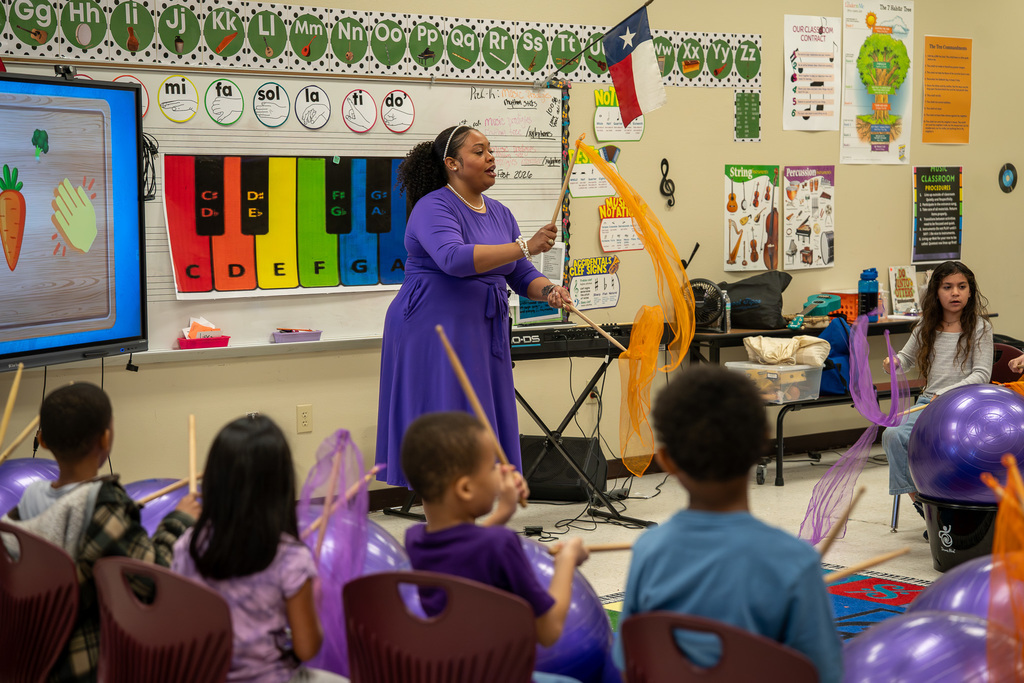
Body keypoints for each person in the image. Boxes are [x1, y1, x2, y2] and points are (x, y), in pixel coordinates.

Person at [614, 367, 842, 682]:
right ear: (763, 443)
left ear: (666, 460)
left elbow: (630, 663)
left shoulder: (649, 551)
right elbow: (823, 674)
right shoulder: (795, 562)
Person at [375, 125, 572, 488]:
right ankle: (446, 518)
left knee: (476, 419)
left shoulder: (500, 213)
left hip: (480, 331)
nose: (491, 157)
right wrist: (526, 246)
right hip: (433, 328)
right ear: (452, 163)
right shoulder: (432, 206)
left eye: (490, 150)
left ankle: (474, 507)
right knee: (445, 420)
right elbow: (454, 258)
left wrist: (549, 291)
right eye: (479, 151)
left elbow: (520, 272)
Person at [1, 382, 200, 683]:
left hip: (35, 652)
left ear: (41, 440)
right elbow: (153, 577)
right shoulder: (102, 505)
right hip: (87, 662)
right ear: (107, 439)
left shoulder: (30, 497)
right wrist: (179, 521)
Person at [401, 411, 589, 680]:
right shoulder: (500, 545)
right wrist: (567, 561)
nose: (501, 472)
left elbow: (463, 548)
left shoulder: (415, 538)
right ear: (465, 489)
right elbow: (549, 631)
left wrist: (502, 513)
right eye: (491, 467)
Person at [171, 416, 346, 683]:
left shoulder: (186, 545)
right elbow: (307, 647)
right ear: (281, 485)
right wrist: (316, 601)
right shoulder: (290, 558)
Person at [882, 261, 992, 522]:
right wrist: (893, 364)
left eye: (961, 287)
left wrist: (948, 393)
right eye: (947, 287)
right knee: (892, 434)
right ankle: (925, 507)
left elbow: (982, 375)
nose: (955, 293)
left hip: (965, 406)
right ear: (936, 293)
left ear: (970, 292)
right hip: (929, 403)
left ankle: (955, 508)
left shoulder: (980, 328)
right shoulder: (925, 327)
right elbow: (905, 360)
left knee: (948, 449)